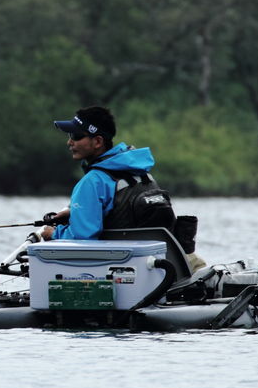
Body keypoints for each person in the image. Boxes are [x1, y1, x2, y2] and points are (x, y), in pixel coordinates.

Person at [38, 105, 206, 273]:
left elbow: (82, 239)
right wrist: (75, 213)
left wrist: (54, 234)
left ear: (97, 142)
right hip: (166, 267)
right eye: (69, 136)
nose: (69, 142)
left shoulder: (92, 182)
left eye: (76, 136)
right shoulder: (140, 172)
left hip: (128, 270)